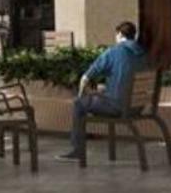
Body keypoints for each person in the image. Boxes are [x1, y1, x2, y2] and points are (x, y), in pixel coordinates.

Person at [59, 22, 147, 160]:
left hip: (117, 107)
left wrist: (82, 95)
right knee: (102, 93)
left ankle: (78, 150)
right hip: (137, 107)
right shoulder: (142, 54)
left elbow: (85, 78)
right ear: (134, 36)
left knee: (79, 103)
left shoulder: (113, 52)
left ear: (119, 34)